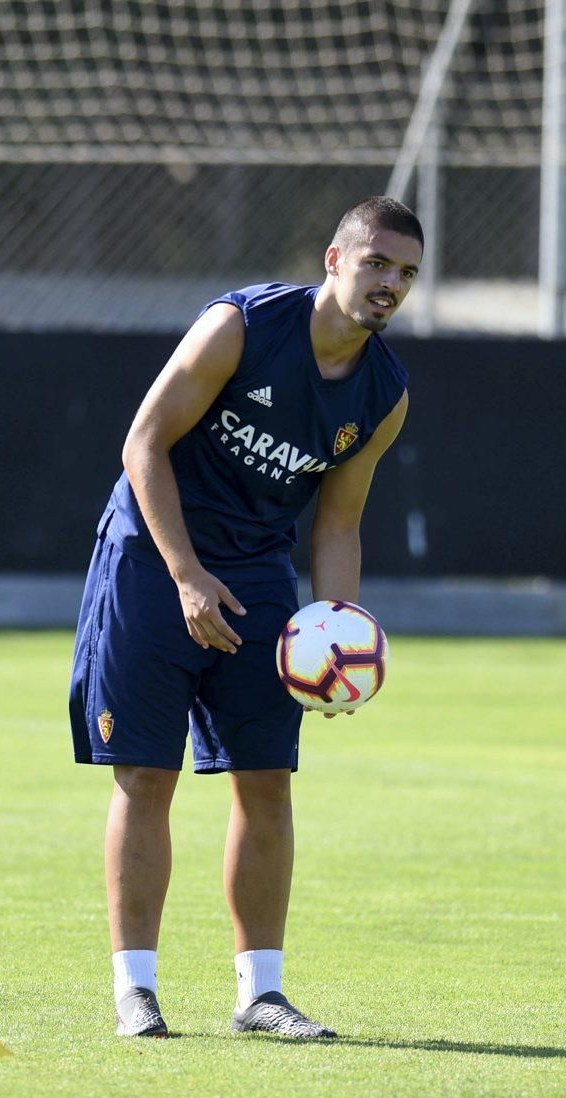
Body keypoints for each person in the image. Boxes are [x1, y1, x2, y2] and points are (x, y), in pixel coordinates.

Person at [69, 195, 423, 1039]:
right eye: (376, 262)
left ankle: (260, 995)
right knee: (145, 772)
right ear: (333, 261)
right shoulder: (242, 325)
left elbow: (337, 521)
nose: (390, 283)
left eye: (406, 273)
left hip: (258, 571)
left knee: (265, 779)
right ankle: (136, 991)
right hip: (155, 557)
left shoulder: (384, 393)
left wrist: (338, 629)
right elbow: (143, 443)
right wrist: (186, 574)